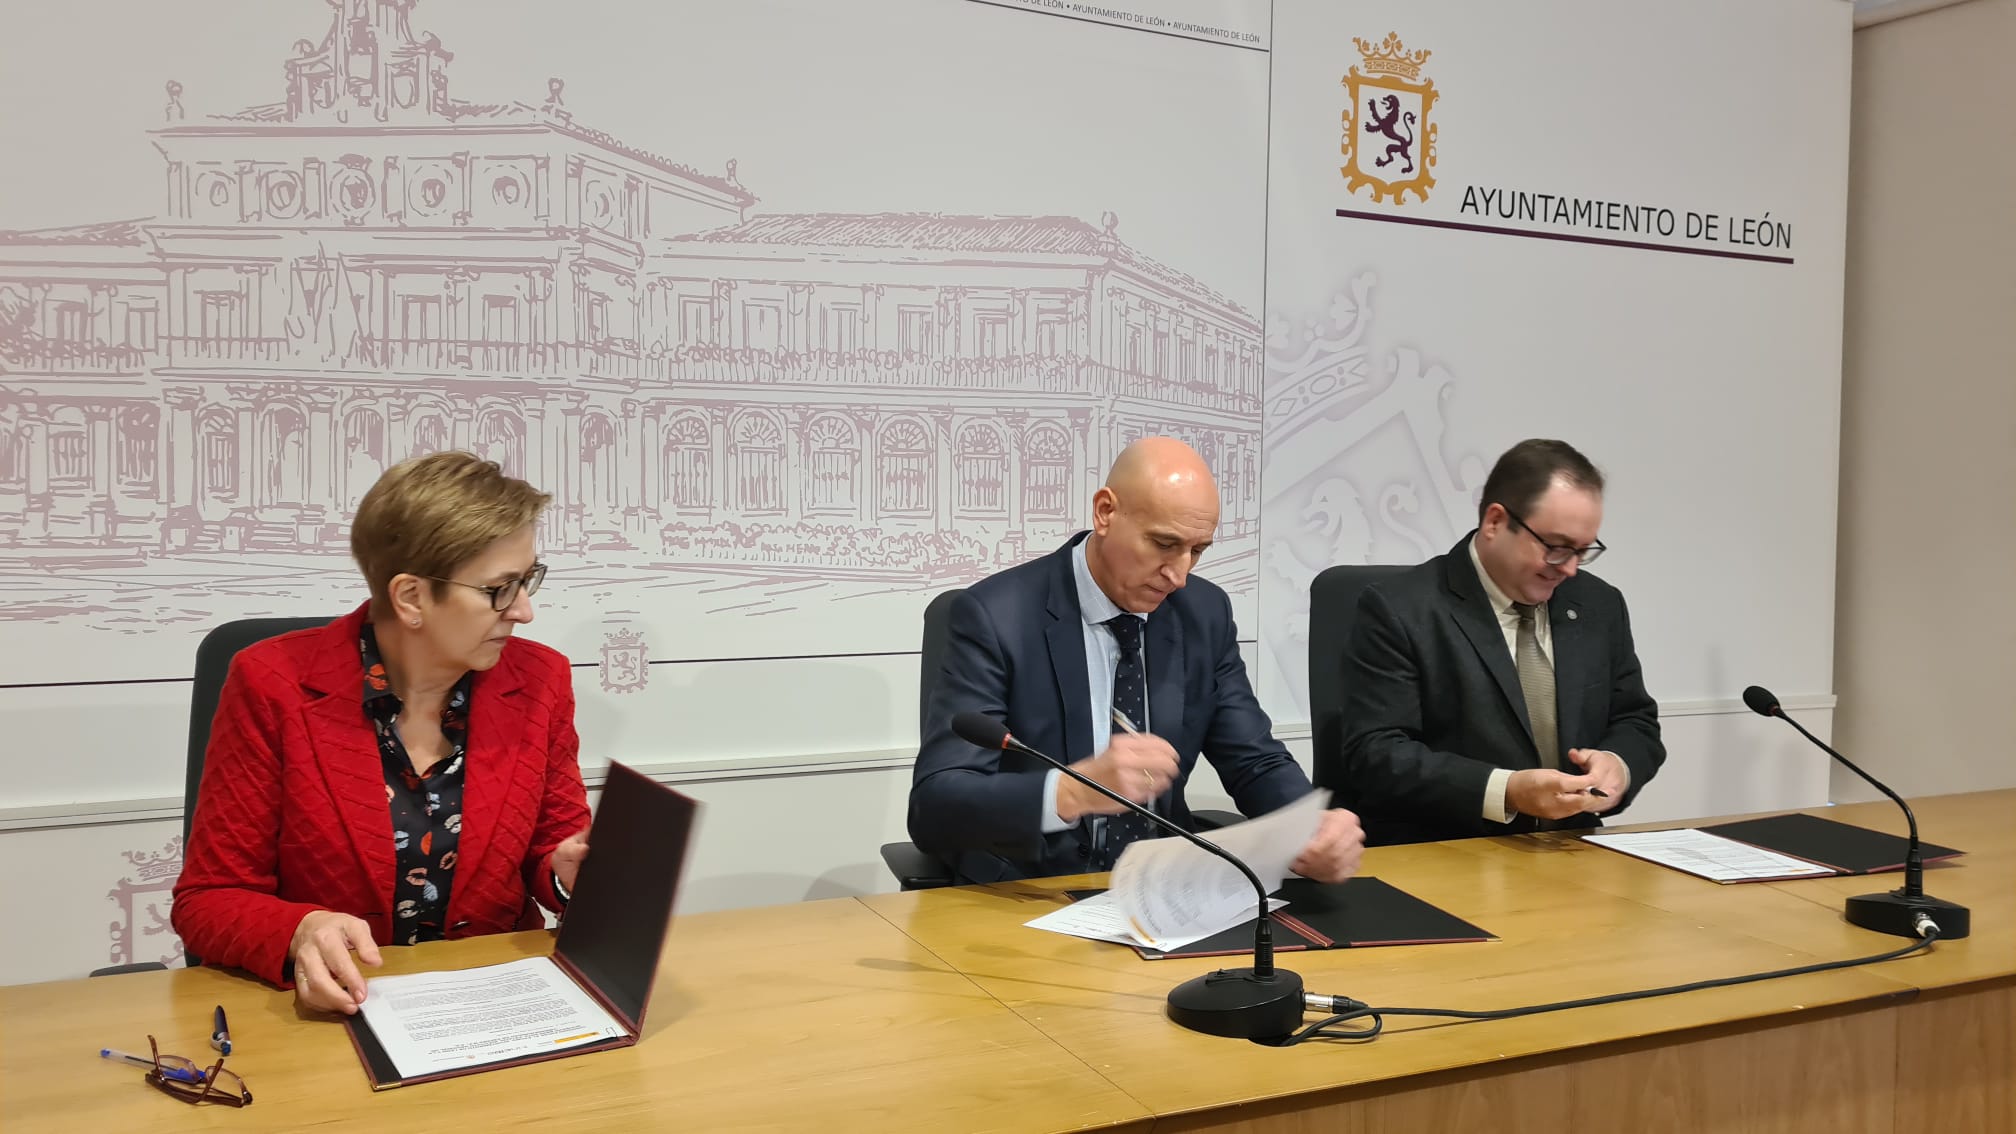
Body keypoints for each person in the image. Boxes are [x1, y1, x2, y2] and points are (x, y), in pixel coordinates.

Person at [172, 451, 592, 1014]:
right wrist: (301, 930)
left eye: (529, 579)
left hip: (493, 1007)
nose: (524, 611)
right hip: (340, 1016)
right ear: (411, 597)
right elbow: (209, 899)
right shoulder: (272, 683)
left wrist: (565, 872)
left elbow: (549, 851)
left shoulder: (540, 680)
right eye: (500, 589)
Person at [909, 437, 1364, 883]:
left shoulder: (1202, 614)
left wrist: (1310, 827)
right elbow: (936, 806)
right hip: (1028, 892)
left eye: (1197, 550)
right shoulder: (995, 617)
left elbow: (1253, 760)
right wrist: (1072, 791)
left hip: (1164, 890)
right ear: (1105, 512)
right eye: (1164, 544)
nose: (1180, 575)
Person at [1335, 439, 1664, 845]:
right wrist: (1505, 791)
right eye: (1557, 548)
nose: (1572, 569)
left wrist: (1618, 765)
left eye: (1584, 551)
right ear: (1495, 522)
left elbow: (1635, 720)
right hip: (1445, 854)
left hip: (1573, 852)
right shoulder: (1400, 609)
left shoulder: (1599, 604)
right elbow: (1377, 753)